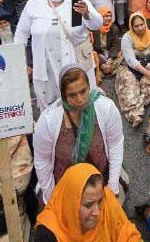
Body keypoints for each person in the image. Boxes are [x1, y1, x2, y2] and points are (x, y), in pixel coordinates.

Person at [33, 65, 123, 205]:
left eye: (83, 91)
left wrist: (112, 186)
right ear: (63, 95)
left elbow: (115, 144)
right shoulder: (48, 121)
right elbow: (42, 161)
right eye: (72, 95)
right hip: (66, 188)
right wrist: (52, 199)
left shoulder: (106, 108)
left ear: (89, 87)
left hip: (101, 181)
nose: (80, 99)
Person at [15, 0, 102, 110]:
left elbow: (97, 24)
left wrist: (86, 13)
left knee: (80, 103)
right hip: (45, 67)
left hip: (75, 63)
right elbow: (21, 33)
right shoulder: (34, 4)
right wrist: (20, 62)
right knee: (51, 111)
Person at [34, 163, 142, 242]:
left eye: (99, 202)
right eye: (88, 205)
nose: (97, 212)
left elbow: (127, 233)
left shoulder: (107, 199)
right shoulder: (47, 234)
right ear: (71, 205)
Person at [115, 12, 150, 127]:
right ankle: (135, 114)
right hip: (131, 68)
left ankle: (139, 102)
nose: (140, 28)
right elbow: (130, 60)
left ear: (145, 23)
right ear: (132, 27)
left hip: (148, 65)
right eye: (136, 26)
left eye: (141, 24)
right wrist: (147, 73)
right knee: (128, 81)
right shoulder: (127, 38)